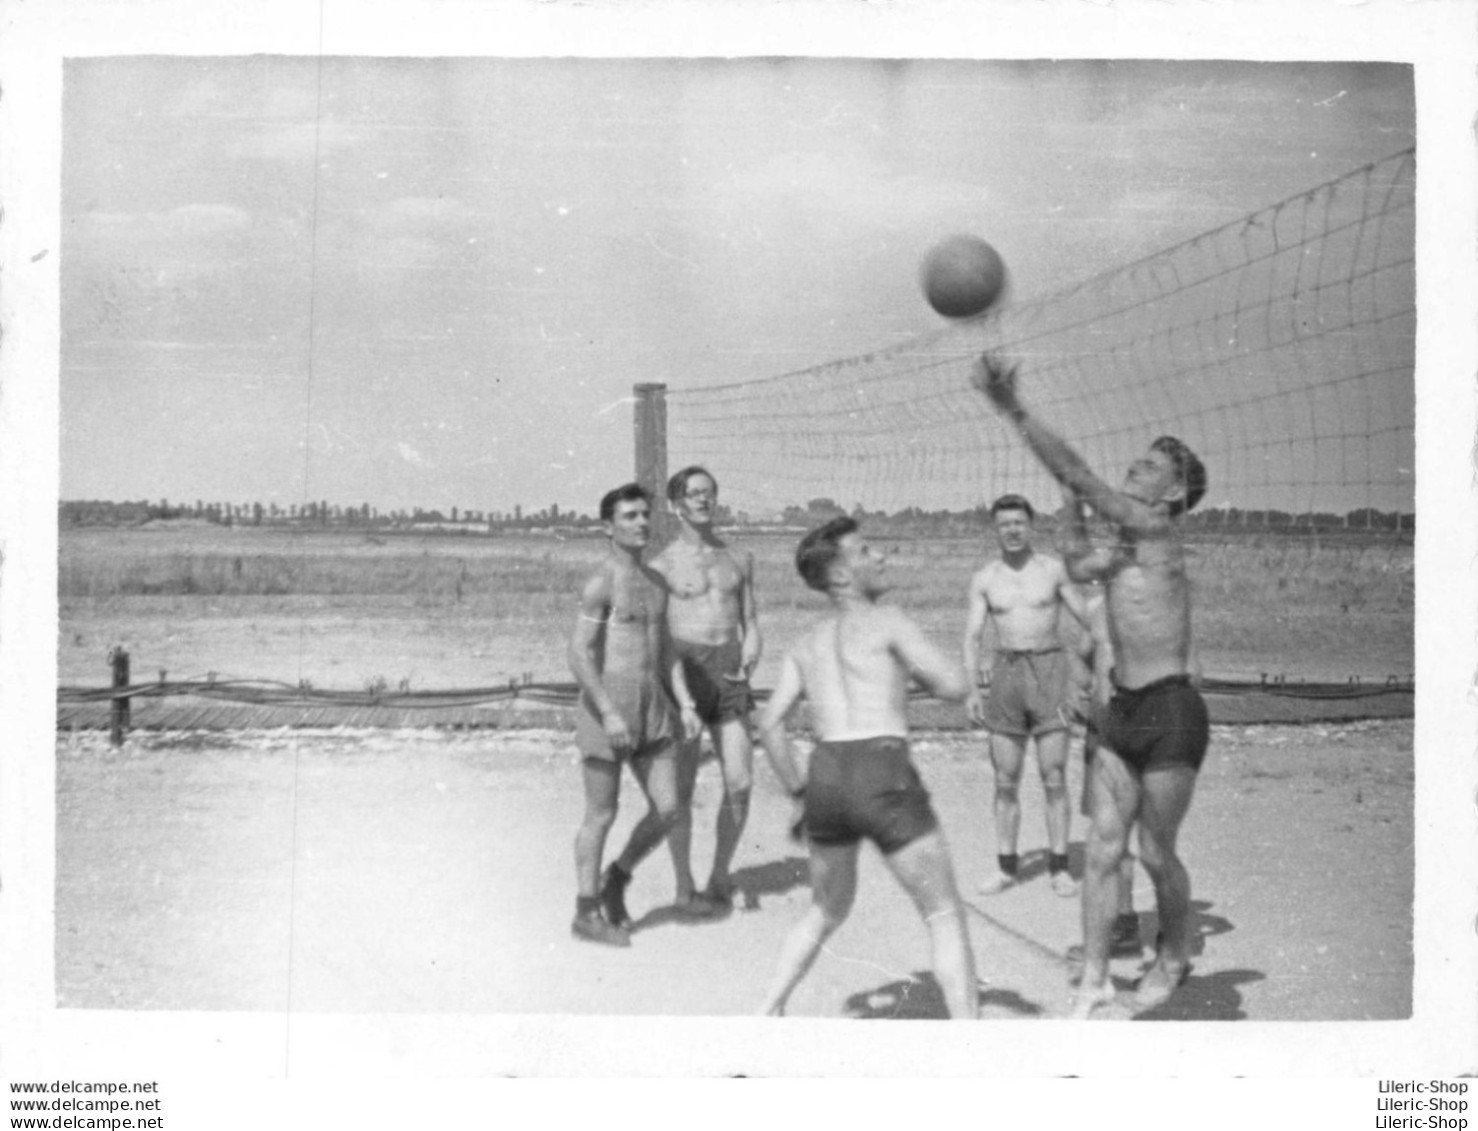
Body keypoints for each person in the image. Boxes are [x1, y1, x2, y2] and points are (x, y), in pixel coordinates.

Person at [972, 353, 1209, 1018]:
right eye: (1137, 459)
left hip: (1170, 710)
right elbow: (1079, 561)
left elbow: (1074, 468)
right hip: (1120, 710)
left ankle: (1171, 954)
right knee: (1102, 848)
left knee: (1156, 852)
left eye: (1151, 466)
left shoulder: (1156, 529)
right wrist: (1074, 509)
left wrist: (1013, 408)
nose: (1136, 466)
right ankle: (1099, 974)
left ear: (1170, 494)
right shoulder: (1128, 545)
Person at [754, 516, 979, 1019]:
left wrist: (798, 794)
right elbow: (954, 687)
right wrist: (906, 677)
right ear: (838, 575)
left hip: (826, 775)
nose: (880, 557)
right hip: (881, 767)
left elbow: (769, 724)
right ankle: (972, 1043)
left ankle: (766, 1011)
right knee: (943, 913)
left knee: (827, 908)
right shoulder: (890, 620)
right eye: (865, 551)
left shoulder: (806, 642)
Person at [567, 483, 701, 947]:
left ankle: (617, 877)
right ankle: (586, 911)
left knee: (669, 808)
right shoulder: (601, 581)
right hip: (609, 707)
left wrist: (683, 702)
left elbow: (666, 654)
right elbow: (580, 654)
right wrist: (609, 713)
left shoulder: (657, 583)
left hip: (654, 706)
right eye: (629, 516)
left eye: (645, 515)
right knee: (601, 813)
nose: (641, 523)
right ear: (609, 527)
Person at [963, 494, 1089, 897]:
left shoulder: (1053, 571)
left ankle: (1059, 866)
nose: (1012, 530)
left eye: (1019, 522)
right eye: (1004, 524)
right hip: (1006, 676)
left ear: (1030, 525)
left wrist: (1082, 676)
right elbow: (972, 636)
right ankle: (1006, 865)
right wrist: (971, 689)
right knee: (1005, 778)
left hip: (1050, 671)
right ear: (995, 529)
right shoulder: (985, 578)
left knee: (1054, 776)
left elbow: (1089, 620)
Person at [649, 466, 762, 915]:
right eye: (693, 494)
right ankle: (683, 881)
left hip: (730, 673)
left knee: (741, 781)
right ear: (677, 504)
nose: (702, 500)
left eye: (708, 493)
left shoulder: (738, 559)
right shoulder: (661, 566)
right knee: (681, 787)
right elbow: (657, 639)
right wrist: (681, 698)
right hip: (686, 676)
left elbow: (751, 623)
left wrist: (751, 654)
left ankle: (719, 872)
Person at [1069, 568, 1141, 959]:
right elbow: (1081, 658)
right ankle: (1121, 926)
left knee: (1125, 835)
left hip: (1133, 735)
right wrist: (1081, 697)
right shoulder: (1097, 615)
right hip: (1099, 733)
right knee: (1106, 831)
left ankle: (1129, 926)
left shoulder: (1150, 621)